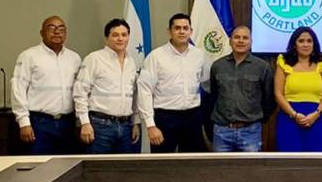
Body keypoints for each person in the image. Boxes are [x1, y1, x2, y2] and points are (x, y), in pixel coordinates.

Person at [137, 13, 209, 153]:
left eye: (185, 28)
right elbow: (144, 89)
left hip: (192, 118)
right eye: (177, 28)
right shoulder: (156, 56)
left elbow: (206, 83)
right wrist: (150, 125)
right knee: (162, 165)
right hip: (165, 118)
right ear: (169, 31)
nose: (182, 31)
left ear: (191, 31)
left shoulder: (199, 55)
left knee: (192, 165)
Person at [11, 15, 81, 154]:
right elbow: (18, 90)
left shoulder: (75, 58)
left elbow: (80, 92)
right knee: (38, 169)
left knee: (66, 170)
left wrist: (80, 121)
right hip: (39, 123)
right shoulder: (28, 56)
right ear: (42, 33)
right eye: (52, 28)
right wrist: (24, 123)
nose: (57, 32)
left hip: (67, 123)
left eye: (61, 29)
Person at [73, 18, 141, 154]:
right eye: (115, 35)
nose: (120, 39)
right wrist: (85, 123)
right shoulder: (94, 59)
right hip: (99, 125)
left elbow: (134, 95)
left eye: (124, 35)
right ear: (106, 38)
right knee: (97, 171)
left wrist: (135, 122)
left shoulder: (131, 62)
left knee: (123, 172)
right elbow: (80, 93)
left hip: (126, 126)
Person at [208, 25, 275, 152]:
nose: (240, 41)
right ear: (230, 41)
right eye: (237, 37)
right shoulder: (217, 65)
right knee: (220, 171)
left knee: (250, 171)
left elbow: (269, 99)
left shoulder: (262, 67)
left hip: (250, 131)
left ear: (251, 42)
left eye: (245, 38)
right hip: (222, 130)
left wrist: (258, 119)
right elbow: (213, 96)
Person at [274, 27, 322, 152]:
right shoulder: (283, 62)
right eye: (301, 41)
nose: (305, 44)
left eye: (309, 41)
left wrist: (316, 114)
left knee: (314, 164)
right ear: (294, 44)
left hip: (316, 118)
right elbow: (278, 93)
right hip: (289, 118)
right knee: (289, 162)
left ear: (314, 44)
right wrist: (294, 115)